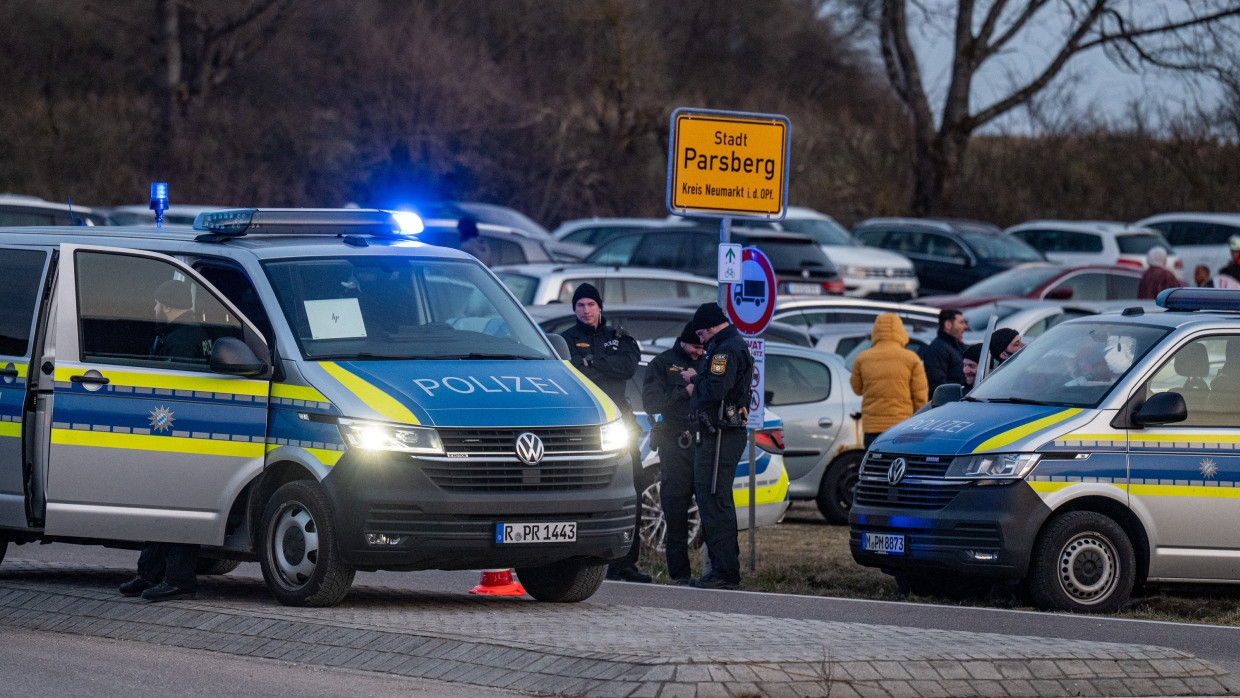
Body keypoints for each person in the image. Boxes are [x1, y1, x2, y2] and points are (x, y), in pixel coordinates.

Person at [120, 279, 209, 602]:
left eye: (157, 305)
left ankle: (178, 578)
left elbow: (171, 394)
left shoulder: (181, 341)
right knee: (161, 504)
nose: (154, 310)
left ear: (168, 306)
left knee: (176, 506)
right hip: (178, 434)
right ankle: (150, 573)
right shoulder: (189, 334)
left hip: (176, 436)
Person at [558, 283, 647, 583]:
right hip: (580, 422)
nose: (585, 310)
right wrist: (597, 367)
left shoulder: (617, 337)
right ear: (574, 309)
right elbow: (573, 373)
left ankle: (626, 562)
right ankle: (576, 558)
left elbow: (628, 366)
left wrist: (592, 362)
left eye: (590, 305)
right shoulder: (565, 340)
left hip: (620, 420)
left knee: (631, 487)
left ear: (600, 307)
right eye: (580, 305)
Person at [682, 302, 753, 591]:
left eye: (701, 334)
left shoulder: (723, 349)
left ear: (710, 328)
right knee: (714, 497)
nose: (700, 341)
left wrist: (694, 379)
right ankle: (723, 569)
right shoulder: (731, 345)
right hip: (722, 432)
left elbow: (716, 389)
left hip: (721, 434)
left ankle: (724, 571)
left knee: (714, 498)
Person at [640, 322, 704, 585]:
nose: (700, 352)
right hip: (674, 442)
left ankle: (715, 572)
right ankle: (679, 574)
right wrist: (683, 392)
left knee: (710, 507)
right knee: (675, 508)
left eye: (703, 347)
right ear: (683, 341)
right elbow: (651, 403)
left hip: (703, 442)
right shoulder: (662, 364)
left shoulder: (710, 360)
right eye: (696, 347)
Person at [849, 313, 928, 447]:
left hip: (872, 426)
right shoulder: (911, 358)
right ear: (900, 331)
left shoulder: (862, 358)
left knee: (873, 465)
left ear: (876, 331)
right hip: (902, 425)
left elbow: (856, 388)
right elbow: (920, 396)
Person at [923, 308, 968, 394]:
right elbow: (938, 386)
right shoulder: (937, 349)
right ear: (948, 325)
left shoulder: (958, 347)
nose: (965, 326)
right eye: (961, 322)